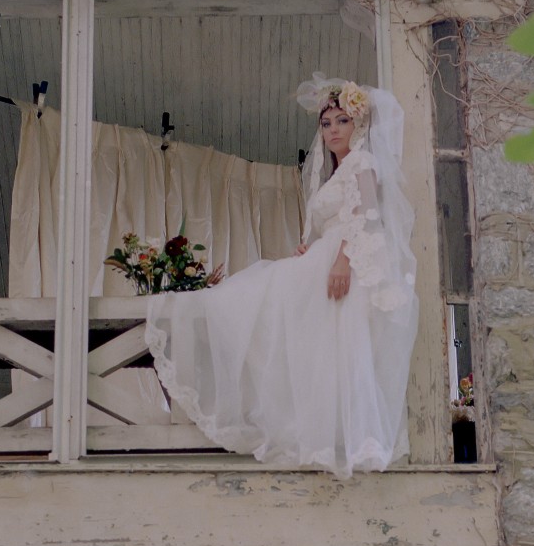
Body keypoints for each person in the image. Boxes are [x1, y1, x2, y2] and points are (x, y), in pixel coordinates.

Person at [144, 75, 419, 479]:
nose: (333, 131)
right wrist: (315, 246)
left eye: (342, 121)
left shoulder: (363, 162)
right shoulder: (337, 171)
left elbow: (365, 218)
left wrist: (341, 260)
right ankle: (307, 430)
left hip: (346, 265)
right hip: (328, 258)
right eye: (326, 124)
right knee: (300, 338)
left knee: (311, 333)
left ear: (358, 124)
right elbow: (338, 218)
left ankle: (342, 441)